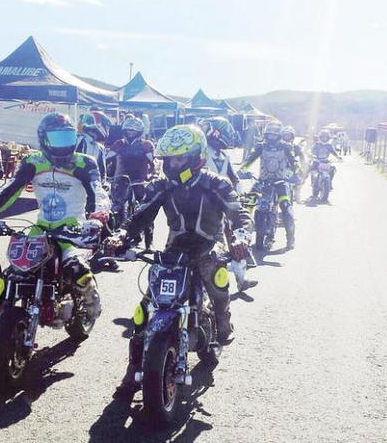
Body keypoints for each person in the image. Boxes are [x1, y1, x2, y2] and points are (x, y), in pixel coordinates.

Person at [117, 124, 251, 391]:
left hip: (208, 247)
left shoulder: (216, 183)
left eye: (179, 158)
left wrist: (241, 237)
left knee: (217, 284)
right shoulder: (162, 186)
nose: (172, 164)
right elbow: (141, 215)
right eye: (169, 159)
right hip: (174, 251)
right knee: (145, 309)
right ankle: (133, 369)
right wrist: (121, 236)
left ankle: (223, 325)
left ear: (195, 156)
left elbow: (240, 214)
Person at [0, 113, 109, 366]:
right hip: (40, 228)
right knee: (9, 279)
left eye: (68, 137)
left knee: (77, 269)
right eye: (57, 138)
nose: (63, 145)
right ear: (44, 139)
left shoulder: (85, 162)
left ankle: (91, 302)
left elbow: (98, 189)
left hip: (74, 229)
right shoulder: (33, 161)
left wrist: (98, 216)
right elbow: (11, 188)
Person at [198, 116, 258, 292]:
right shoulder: (200, 152)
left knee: (235, 239)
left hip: (222, 204)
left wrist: (240, 194)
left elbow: (233, 178)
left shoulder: (224, 157)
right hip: (200, 204)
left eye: (206, 127)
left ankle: (241, 279)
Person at [239, 121, 301, 250]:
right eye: (269, 134)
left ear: (279, 135)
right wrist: (241, 171)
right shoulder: (261, 146)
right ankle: (240, 240)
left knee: (286, 209)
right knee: (245, 207)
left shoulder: (286, 147)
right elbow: (250, 159)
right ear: (265, 134)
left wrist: (297, 174)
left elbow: (293, 162)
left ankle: (290, 239)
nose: (271, 137)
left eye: (274, 135)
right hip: (262, 182)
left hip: (280, 183)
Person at [106, 116, 155, 248]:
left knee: (145, 208)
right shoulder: (119, 144)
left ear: (139, 132)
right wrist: (105, 173)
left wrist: (151, 175)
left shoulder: (146, 145)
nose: (130, 133)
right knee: (116, 206)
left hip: (140, 180)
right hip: (121, 178)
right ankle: (115, 235)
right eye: (128, 131)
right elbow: (107, 159)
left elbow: (153, 163)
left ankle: (149, 243)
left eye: (133, 131)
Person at [75, 109, 110, 180]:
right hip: (78, 183)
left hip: (89, 184)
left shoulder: (99, 147)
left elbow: (102, 172)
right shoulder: (80, 140)